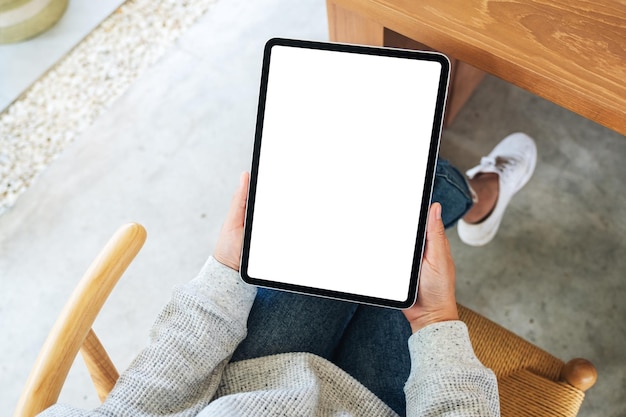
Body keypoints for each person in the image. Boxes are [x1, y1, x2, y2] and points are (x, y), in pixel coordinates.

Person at [38, 132, 536, 417]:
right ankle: (472, 196)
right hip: (374, 407)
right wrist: (433, 320)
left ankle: (464, 195)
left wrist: (223, 275)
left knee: (364, 184)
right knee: (415, 191)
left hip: (251, 384)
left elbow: (143, 405)